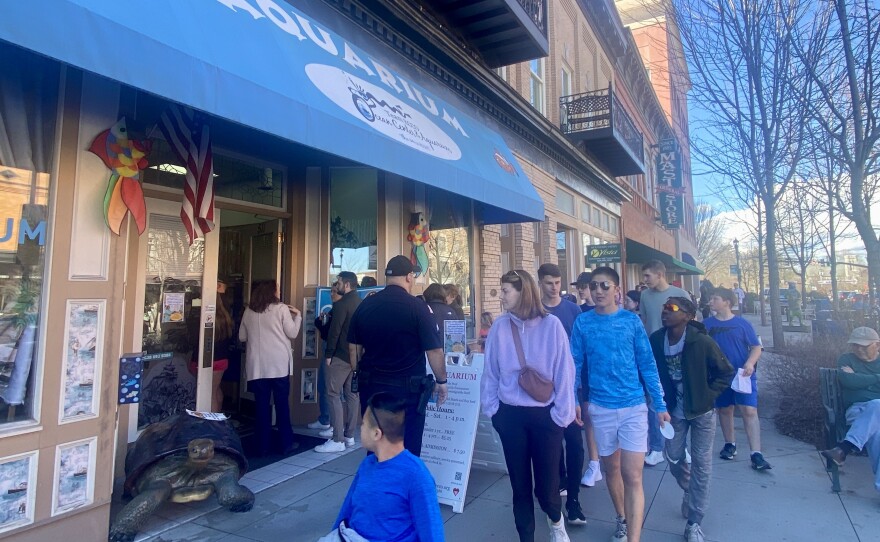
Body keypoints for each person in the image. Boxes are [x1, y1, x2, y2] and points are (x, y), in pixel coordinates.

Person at [571, 266, 670, 542]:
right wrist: (572, 399)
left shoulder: (631, 321)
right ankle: (622, 518)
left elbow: (648, 365)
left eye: (604, 286)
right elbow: (574, 364)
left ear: (617, 290)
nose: (598, 291)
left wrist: (659, 405)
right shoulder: (583, 323)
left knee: (632, 475)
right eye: (594, 286)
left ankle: (633, 539)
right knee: (612, 470)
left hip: (633, 407)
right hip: (600, 408)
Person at [481, 269, 575, 542]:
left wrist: (561, 416)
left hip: (546, 417)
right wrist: (494, 412)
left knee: (547, 488)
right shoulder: (500, 326)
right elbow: (491, 373)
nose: (501, 297)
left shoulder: (552, 326)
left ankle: (556, 522)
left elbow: (564, 373)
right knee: (519, 487)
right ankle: (526, 537)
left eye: (506, 291)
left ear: (523, 291)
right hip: (510, 415)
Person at [650, 297, 734, 542]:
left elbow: (725, 371)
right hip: (673, 410)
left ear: (687, 315)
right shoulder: (656, 340)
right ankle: (690, 489)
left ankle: (694, 522)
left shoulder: (702, 342)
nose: (665, 312)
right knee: (673, 456)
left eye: (672, 308)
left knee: (702, 464)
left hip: (701, 412)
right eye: (663, 307)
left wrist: (708, 395)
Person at [348, 256, 448, 457]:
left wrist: (357, 372)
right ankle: (401, 488)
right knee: (407, 450)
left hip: (373, 387)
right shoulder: (418, 307)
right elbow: (434, 350)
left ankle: (379, 486)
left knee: (377, 447)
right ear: (409, 277)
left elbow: (353, 348)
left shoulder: (366, 305)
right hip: (407, 391)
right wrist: (441, 381)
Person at [319, 392, 445, 542]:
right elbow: (347, 509)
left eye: (364, 424)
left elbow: (432, 533)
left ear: (376, 433)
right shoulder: (367, 464)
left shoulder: (417, 476)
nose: (361, 429)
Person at [537, 263, 587, 525]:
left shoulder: (572, 310)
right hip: (543, 391)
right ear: (540, 283)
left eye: (557, 282)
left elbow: (580, 349)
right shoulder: (535, 311)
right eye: (549, 282)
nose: (554, 287)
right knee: (551, 445)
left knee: (575, 444)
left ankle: (574, 501)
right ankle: (559, 483)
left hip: (569, 388)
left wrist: (579, 387)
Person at [705, 287, 771, 470]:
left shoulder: (743, 324)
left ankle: (756, 453)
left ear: (727, 302)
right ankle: (730, 444)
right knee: (725, 410)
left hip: (742, 375)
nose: (711, 302)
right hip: (719, 376)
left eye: (715, 299)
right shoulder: (706, 325)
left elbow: (756, 347)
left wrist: (750, 363)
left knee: (749, 411)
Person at [238, 280, 302, 456]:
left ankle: (262, 445)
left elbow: (242, 337)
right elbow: (292, 333)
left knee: (261, 406)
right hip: (278, 364)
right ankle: (286, 443)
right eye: (278, 289)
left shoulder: (249, 311)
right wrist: (298, 316)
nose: (279, 291)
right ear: (272, 291)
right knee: (281, 405)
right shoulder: (281, 309)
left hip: (257, 366)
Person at [639, 260, 691, 467]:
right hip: (653, 354)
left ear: (660, 274)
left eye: (647, 276)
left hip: (677, 353)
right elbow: (644, 322)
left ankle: (681, 447)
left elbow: (691, 322)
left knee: (678, 400)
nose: (644, 280)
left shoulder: (680, 294)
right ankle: (657, 448)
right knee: (654, 400)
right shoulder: (644, 296)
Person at [821, 327, 880, 494]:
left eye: (864, 345)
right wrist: (876, 378)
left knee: (877, 409)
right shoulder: (846, 359)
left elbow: (855, 381)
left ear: (878, 345)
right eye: (855, 345)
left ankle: (844, 448)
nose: (858, 349)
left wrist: (859, 378)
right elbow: (848, 381)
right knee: (877, 405)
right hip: (857, 411)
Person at [315, 272, 363, 453]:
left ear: (348, 284)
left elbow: (334, 331)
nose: (337, 284)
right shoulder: (360, 303)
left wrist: (328, 354)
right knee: (352, 395)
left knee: (332, 394)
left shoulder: (342, 304)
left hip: (340, 355)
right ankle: (349, 436)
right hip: (356, 357)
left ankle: (337, 438)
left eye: (340, 282)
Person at [308, 288, 342, 432]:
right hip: (329, 350)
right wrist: (321, 321)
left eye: (334, 291)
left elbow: (329, 332)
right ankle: (325, 419)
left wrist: (321, 322)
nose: (331, 294)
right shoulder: (334, 310)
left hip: (334, 352)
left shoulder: (340, 310)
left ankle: (334, 426)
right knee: (323, 385)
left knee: (332, 389)